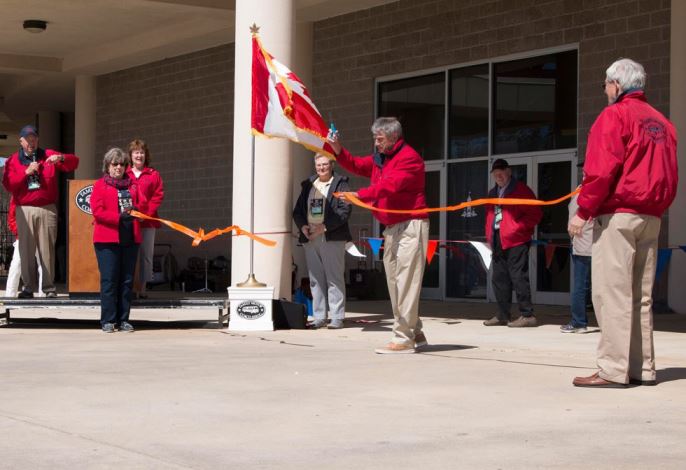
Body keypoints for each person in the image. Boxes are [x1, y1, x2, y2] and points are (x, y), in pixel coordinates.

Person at [569, 59, 677, 388]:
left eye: (605, 85)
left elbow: (601, 170)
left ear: (616, 84)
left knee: (611, 293)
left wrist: (583, 211)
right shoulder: (662, 123)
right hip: (651, 216)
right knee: (641, 297)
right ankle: (642, 368)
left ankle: (613, 369)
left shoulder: (615, 116)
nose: (604, 91)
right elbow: (670, 173)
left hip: (619, 215)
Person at [328, 117, 429, 354]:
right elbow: (355, 164)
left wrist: (359, 195)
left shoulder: (409, 159)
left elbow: (389, 186)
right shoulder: (381, 158)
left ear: (394, 137)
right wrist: (337, 149)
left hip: (411, 225)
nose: (376, 143)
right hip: (392, 227)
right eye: (375, 138)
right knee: (394, 282)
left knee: (406, 282)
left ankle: (403, 338)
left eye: (380, 139)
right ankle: (415, 331)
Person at [2, 124, 79, 298]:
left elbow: (74, 162)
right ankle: (28, 288)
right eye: (27, 139)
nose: (31, 142)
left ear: (37, 140)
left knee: (47, 251)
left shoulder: (47, 155)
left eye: (34, 139)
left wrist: (60, 158)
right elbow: (8, 184)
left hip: (47, 208)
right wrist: (26, 172)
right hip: (25, 209)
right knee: (26, 250)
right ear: (21, 141)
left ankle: (49, 288)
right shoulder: (13, 160)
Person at [293, 153, 352, 329]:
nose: (321, 168)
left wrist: (324, 227)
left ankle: (337, 317)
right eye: (318, 165)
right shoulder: (308, 185)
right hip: (311, 238)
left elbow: (344, 211)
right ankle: (319, 317)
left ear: (332, 165)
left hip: (331, 236)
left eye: (325, 164)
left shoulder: (341, 184)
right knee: (315, 279)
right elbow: (297, 211)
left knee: (334, 278)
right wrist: (303, 226)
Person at [483, 158, 542, 328]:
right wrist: (489, 237)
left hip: (517, 240)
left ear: (509, 172)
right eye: (495, 174)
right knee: (499, 278)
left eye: (501, 173)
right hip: (497, 240)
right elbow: (488, 217)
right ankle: (503, 315)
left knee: (518, 277)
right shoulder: (492, 193)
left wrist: (518, 229)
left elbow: (535, 214)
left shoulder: (522, 190)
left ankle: (527, 315)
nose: (498, 176)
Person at [91, 147, 142, 333]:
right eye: (115, 164)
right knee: (109, 280)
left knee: (127, 281)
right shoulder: (100, 185)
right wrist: (119, 218)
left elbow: (142, 204)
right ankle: (108, 320)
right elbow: (98, 212)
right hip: (107, 239)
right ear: (107, 166)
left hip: (130, 238)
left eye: (122, 164)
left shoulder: (133, 185)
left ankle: (124, 319)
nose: (118, 167)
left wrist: (139, 211)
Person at [126, 139, 164, 298]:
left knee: (146, 255)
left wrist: (146, 214)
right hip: (128, 221)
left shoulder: (153, 174)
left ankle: (143, 288)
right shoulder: (124, 174)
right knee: (129, 254)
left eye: (141, 152)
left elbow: (158, 196)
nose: (139, 155)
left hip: (148, 221)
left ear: (146, 155)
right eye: (136, 152)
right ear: (130, 155)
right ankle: (129, 287)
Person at [562, 183, 592, 333]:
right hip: (586, 243)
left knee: (580, 286)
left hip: (584, 244)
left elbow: (575, 215)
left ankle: (579, 322)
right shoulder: (582, 189)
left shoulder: (588, 191)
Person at [5, 197, 44, 298]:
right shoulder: (17, 197)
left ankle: (43, 293)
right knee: (16, 264)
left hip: (40, 234)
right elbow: (12, 217)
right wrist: (19, 231)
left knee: (43, 265)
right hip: (23, 235)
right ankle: (10, 294)